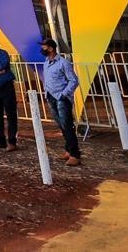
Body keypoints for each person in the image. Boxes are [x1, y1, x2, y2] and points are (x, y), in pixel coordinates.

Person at [41, 38, 81, 166]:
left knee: (67, 125)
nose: (42, 49)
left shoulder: (63, 63)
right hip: (51, 96)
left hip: (61, 98)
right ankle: (68, 149)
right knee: (61, 125)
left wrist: (64, 94)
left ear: (51, 48)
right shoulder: (46, 62)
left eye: (44, 46)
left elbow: (73, 80)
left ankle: (75, 154)